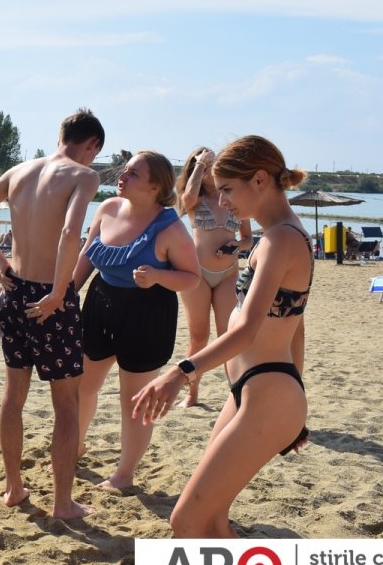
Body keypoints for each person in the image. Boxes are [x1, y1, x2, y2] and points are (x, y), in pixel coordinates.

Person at [132, 136, 313, 538]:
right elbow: (296, 326)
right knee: (212, 519)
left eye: (228, 189)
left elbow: (246, 330)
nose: (224, 200)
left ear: (260, 180)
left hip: (268, 394)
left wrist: (179, 373)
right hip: (256, 390)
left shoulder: (282, 239)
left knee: (185, 521)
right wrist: (297, 405)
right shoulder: (277, 235)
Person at [0, 109, 105, 519]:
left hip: (14, 290)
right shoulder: (84, 176)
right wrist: (59, 291)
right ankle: (62, 503)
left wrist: (1, 260)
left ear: (62, 135)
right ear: (92, 145)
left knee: (14, 394)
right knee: (66, 403)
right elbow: (70, 232)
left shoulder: (20, 171)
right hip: (49, 295)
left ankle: (14, 488)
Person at [73, 151, 199, 490]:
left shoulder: (170, 228)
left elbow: (192, 278)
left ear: (155, 187)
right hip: (100, 303)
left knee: (135, 400)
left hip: (147, 313)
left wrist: (158, 276)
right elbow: (87, 256)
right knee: (83, 385)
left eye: (133, 174)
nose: (122, 177)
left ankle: (124, 474)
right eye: (125, 171)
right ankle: (75, 445)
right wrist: (67, 294)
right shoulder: (107, 208)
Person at [175, 146, 254, 407]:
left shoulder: (233, 199)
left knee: (227, 336)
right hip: (196, 273)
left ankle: (237, 394)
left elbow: (248, 239)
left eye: (213, 165)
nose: (210, 170)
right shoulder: (194, 198)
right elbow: (186, 199)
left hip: (228, 274)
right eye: (206, 167)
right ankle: (192, 393)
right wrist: (200, 164)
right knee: (199, 337)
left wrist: (235, 246)